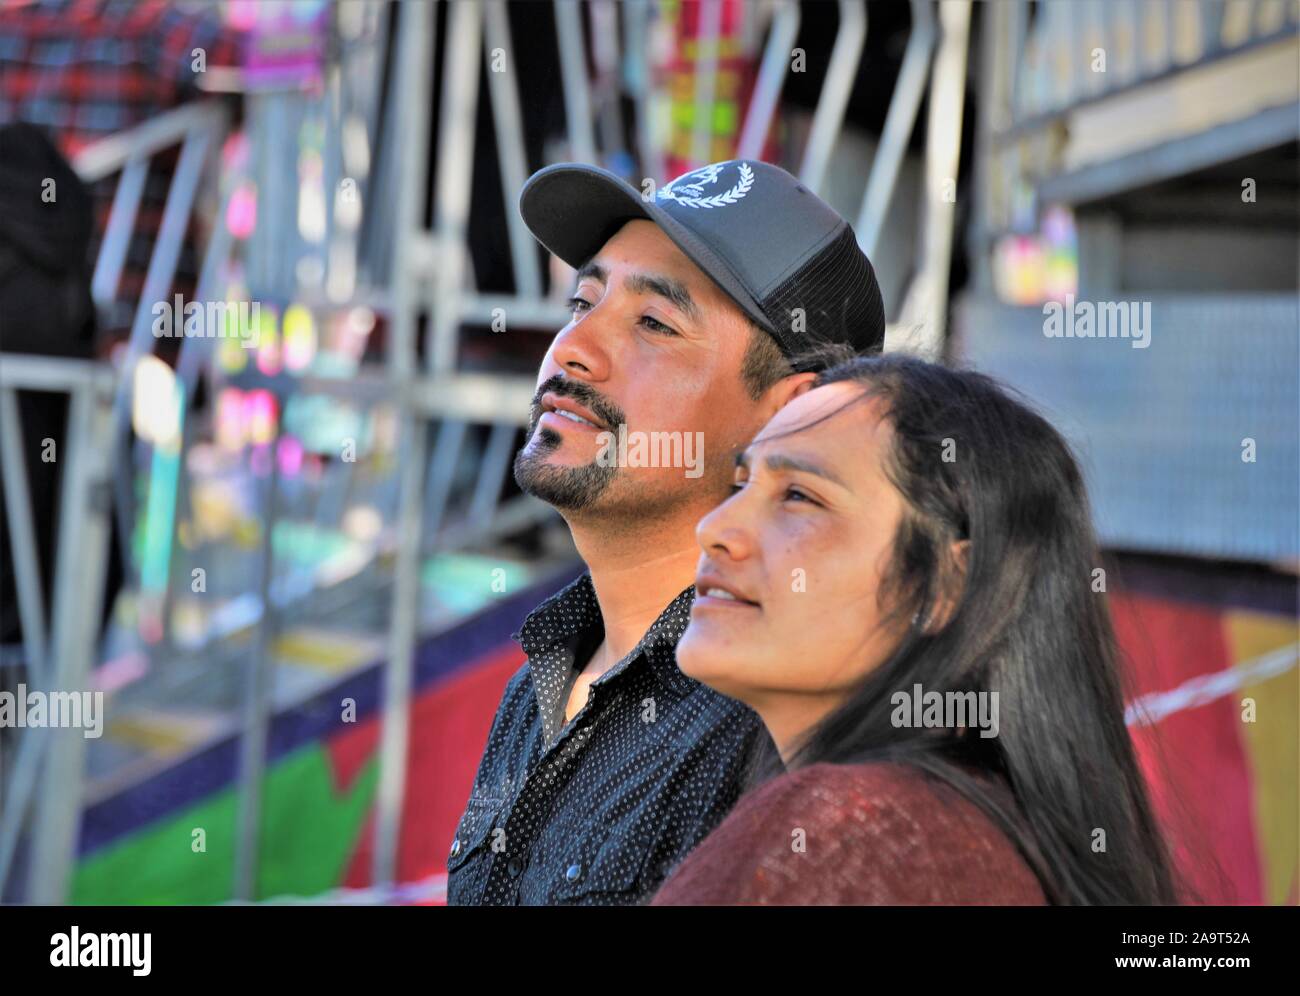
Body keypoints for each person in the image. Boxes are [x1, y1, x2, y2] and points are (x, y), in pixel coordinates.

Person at [446, 158, 885, 905]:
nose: (573, 349)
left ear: (789, 416)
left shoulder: (775, 721)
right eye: (582, 301)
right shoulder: (538, 683)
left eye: (654, 322)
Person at [652, 354, 1182, 905]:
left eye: (799, 496)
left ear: (947, 583)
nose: (714, 528)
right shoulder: (983, 833)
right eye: (741, 485)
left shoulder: (839, 835)